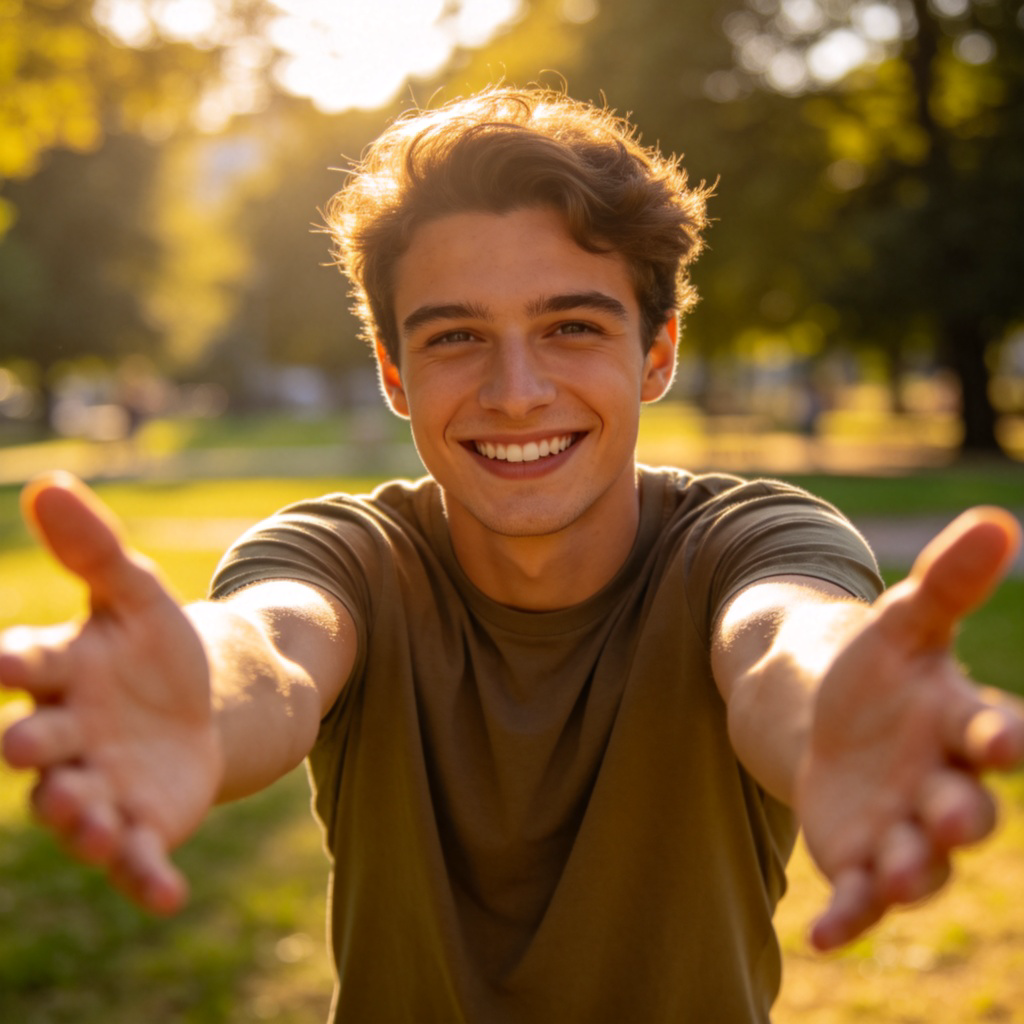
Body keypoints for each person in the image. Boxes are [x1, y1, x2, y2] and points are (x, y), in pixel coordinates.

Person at [2, 85, 1023, 1023]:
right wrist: (201, 697)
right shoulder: (348, 556)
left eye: (571, 325)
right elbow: (266, 649)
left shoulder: (750, 542)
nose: (516, 391)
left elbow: (781, 643)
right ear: (395, 375)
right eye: (455, 338)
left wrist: (830, 699)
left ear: (656, 352)